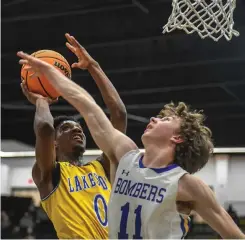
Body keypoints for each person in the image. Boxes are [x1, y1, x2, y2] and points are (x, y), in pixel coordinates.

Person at [17, 46, 245, 239]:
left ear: (177, 137)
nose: (154, 118)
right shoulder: (127, 159)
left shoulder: (187, 185)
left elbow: (235, 236)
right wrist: (55, 75)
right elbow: (88, 107)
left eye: (166, 119)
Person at [20, 34, 127, 239]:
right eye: (67, 128)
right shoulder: (49, 175)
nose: (77, 130)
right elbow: (44, 128)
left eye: (79, 127)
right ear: (54, 143)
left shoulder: (102, 167)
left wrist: (93, 66)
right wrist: (41, 101)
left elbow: (119, 115)